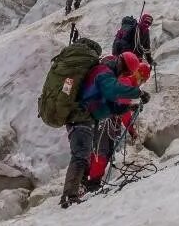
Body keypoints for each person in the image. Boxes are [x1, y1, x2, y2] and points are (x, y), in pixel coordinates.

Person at [61, 49, 146, 207]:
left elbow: (112, 107)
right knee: (81, 156)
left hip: (85, 118)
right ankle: (69, 196)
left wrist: (130, 107)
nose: (124, 76)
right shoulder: (103, 72)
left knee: (84, 155)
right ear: (124, 67)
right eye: (126, 72)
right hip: (80, 116)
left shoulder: (106, 73)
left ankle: (77, 190)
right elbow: (112, 90)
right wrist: (136, 92)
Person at [86, 52, 150, 189]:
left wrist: (130, 107)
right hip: (107, 120)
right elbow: (122, 110)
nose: (141, 83)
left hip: (104, 118)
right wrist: (131, 130)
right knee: (102, 152)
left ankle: (88, 180)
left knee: (100, 151)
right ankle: (92, 183)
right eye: (143, 80)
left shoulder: (125, 82)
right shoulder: (127, 83)